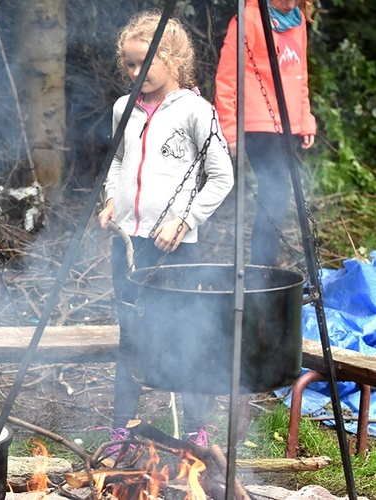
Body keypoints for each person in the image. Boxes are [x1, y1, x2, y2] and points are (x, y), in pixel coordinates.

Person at [98, 11, 234, 442]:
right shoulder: (124, 108)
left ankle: (197, 431)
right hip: (129, 244)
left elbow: (222, 176)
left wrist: (185, 218)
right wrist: (109, 198)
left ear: (173, 60)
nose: (135, 72)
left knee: (183, 337)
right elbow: (118, 162)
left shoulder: (197, 111)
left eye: (145, 63)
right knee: (129, 337)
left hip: (175, 249)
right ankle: (120, 431)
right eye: (130, 64)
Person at [215, 0, 316, 267]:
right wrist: (230, 129)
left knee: (279, 194)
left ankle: (264, 267)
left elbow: (300, 73)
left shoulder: (298, 20)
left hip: (288, 123)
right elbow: (227, 77)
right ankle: (262, 269)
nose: (290, 3)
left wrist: (305, 118)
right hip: (257, 122)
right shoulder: (247, 18)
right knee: (275, 192)